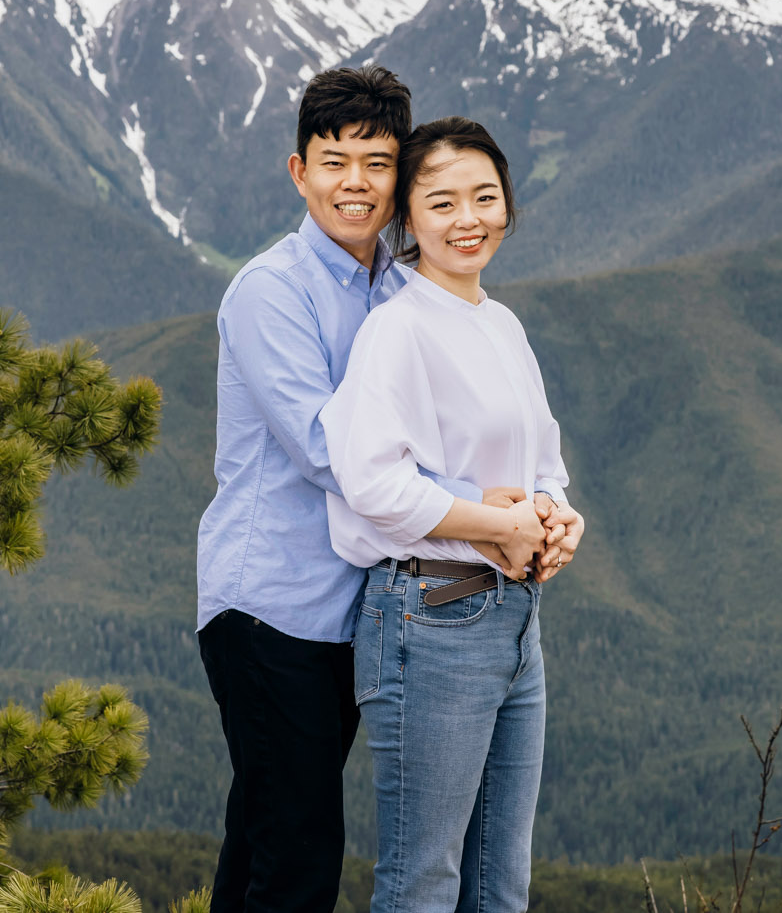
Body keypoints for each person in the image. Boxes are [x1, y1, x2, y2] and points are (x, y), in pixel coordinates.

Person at [196, 68, 585, 913]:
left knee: (265, 844)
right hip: (273, 606)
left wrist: (534, 513)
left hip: (363, 606)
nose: (355, 184)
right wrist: (495, 520)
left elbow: (473, 431)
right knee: (295, 855)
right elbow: (335, 455)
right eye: (334, 163)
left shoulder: (397, 287)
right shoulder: (272, 291)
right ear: (299, 172)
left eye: (376, 164)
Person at [322, 115, 585, 913]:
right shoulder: (396, 331)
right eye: (442, 204)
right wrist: (495, 523)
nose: (467, 219)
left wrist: (557, 516)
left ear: (509, 206)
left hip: (513, 618)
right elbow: (372, 485)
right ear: (409, 219)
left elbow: (542, 459)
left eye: (484, 198)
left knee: (501, 884)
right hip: (428, 618)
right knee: (423, 880)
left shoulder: (500, 324)